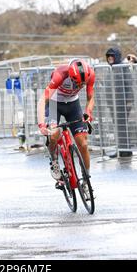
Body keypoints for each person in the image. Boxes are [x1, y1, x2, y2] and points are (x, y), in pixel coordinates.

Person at [37, 59, 95, 191]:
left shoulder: (90, 74)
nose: (79, 86)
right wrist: (41, 125)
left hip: (73, 105)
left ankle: (86, 180)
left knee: (83, 143)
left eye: (82, 84)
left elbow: (90, 97)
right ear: (70, 75)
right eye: (76, 83)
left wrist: (88, 112)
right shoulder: (59, 75)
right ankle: (54, 160)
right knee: (54, 134)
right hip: (54, 104)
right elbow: (42, 100)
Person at [105, 47, 134, 158]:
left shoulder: (122, 67)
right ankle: (122, 149)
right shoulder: (111, 68)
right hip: (114, 104)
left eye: (112, 56)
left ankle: (125, 150)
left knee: (122, 126)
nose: (110, 58)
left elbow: (129, 84)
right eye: (108, 56)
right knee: (118, 126)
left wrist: (129, 101)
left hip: (122, 103)